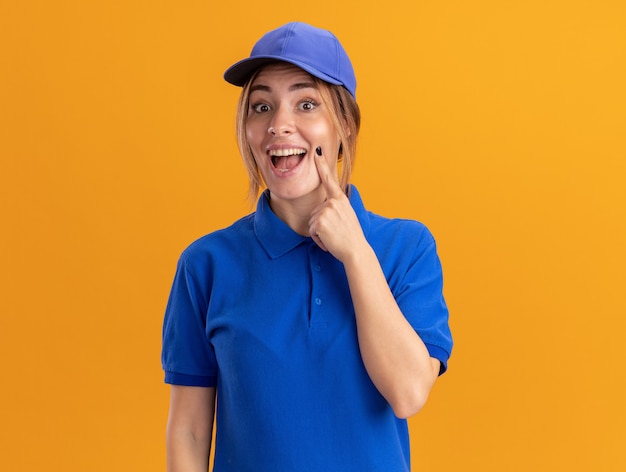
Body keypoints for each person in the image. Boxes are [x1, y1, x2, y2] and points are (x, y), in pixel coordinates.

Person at [162, 21, 453, 471]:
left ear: (346, 128)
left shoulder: (406, 248)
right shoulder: (206, 265)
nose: (280, 125)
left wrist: (355, 252)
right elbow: (189, 429)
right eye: (262, 106)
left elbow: (408, 392)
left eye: (306, 103)